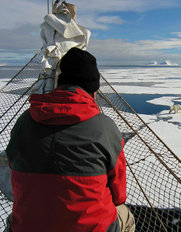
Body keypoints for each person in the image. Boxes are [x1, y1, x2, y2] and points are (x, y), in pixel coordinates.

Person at [6, 47, 135, 232]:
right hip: (92, 227)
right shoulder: (105, 128)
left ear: (60, 83)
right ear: (93, 91)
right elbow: (119, 196)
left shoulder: (25, 121)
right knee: (126, 216)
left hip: (26, 226)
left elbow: (14, 166)